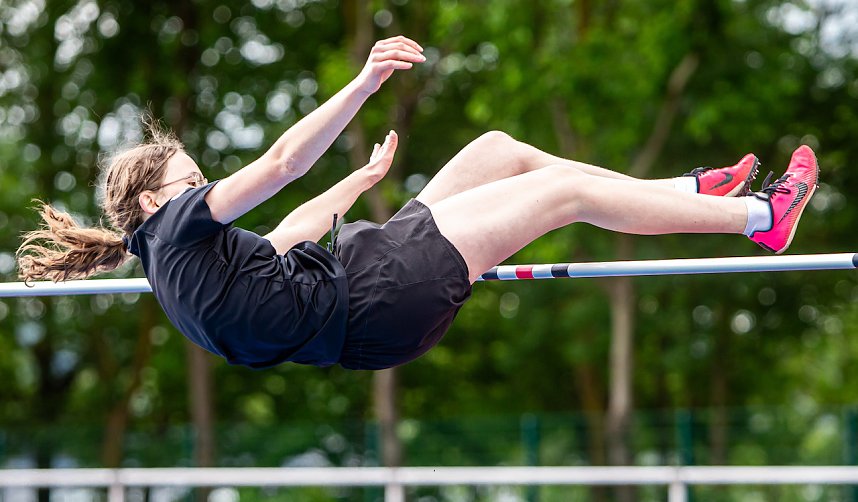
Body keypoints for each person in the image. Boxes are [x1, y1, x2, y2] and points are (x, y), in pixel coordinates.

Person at [17, 36, 819, 371]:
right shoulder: (179, 222)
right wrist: (363, 84)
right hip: (378, 294)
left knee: (500, 149)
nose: (208, 186)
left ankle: (675, 194)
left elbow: (289, 235)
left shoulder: (172, 266)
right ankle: (763, 219)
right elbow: (282, 163)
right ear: (160, 196)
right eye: (196, 178)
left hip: (365, 288)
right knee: (564, 193)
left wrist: (361, 183)